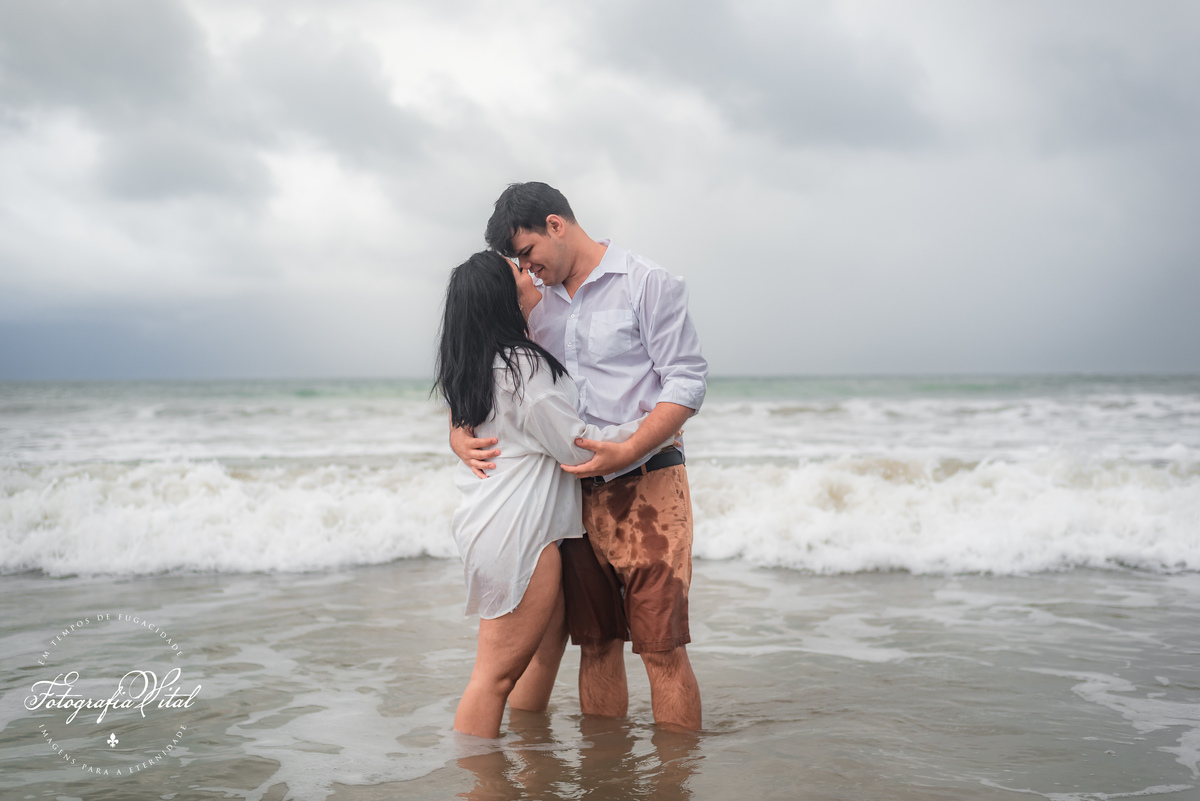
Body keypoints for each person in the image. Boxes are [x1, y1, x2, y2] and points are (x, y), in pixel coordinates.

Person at [451, 182, 707, 730]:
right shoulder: (534, 305)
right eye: (518, 263)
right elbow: (489, 366)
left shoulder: (647, 282)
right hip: (568, 502)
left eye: (527, 254)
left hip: (648, 485)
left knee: (662, 650)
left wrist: (631, 447)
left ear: (556, 225)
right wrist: (457, 429)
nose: (528, 269)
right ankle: (606, 780)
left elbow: (686, 380)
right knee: (595, 646)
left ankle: (672, 786)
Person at [436, 250, 666, 739]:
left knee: (545, 652)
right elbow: (575, 445)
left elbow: (471, 423)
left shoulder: (479, 363)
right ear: (504, 295)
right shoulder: (522, 366)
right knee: (493, 677)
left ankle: (526, 757)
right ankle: (480, 784)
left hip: (496, 524)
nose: (527, 271)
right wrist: (657, 427)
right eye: (516, 271)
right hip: (520, 533)